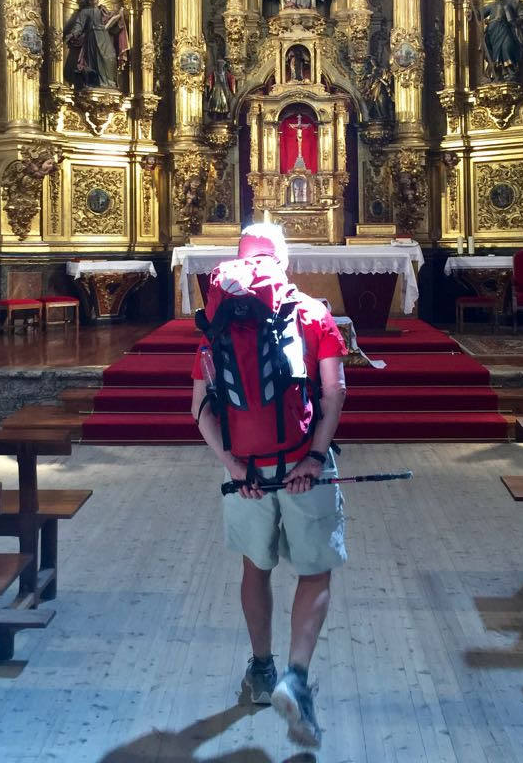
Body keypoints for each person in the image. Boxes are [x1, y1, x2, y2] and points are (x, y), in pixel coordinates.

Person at [190, 224, 347, 751]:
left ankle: (261, 669)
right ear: (283, 259)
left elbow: (201, 408)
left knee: (255, 567)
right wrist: (315, 457)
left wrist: (235, 468)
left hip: (245, 472)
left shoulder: (216, 320)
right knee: (315, 568)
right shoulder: (311, 311)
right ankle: (296, 679)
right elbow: (333, 391)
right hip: (303, 463)